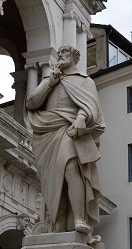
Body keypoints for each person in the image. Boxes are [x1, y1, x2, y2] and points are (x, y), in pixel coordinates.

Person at [25, 45, 105, 234]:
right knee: (54, 181)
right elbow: (31, 102)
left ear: (75, 57)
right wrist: (49, 83)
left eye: (65, 53)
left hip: (70, 130)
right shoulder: (50, 79)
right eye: (59, 53)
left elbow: (92, 106)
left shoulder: (85, 81)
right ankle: (58, 224)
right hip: (47, 134)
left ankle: (78, 218)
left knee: (70, 167)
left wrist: (81, 117)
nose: (61, 56)